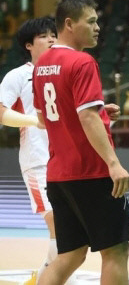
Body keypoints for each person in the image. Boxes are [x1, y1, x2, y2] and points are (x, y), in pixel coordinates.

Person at [32, 0, 129, 285]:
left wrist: (99, 109)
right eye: (91, 22)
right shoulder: (82, 61)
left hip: (59, 175)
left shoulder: (42, 65)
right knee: (116, 250)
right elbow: (87, 118)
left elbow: (45, 118)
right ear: (69, 24)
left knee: (71, 255)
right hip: (91, 172)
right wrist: (113, 164)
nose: (98, 27)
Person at [0, 17, 60, 284]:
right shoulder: (18, 75)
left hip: (66, 160)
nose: (51, 39)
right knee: (59, 225)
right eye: (44, 36)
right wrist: (34, 121)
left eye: (54, 35)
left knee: (70, 229)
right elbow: (1, 112)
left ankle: (44, 277)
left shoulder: (62, 72)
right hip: (38, 161)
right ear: (28, 45)